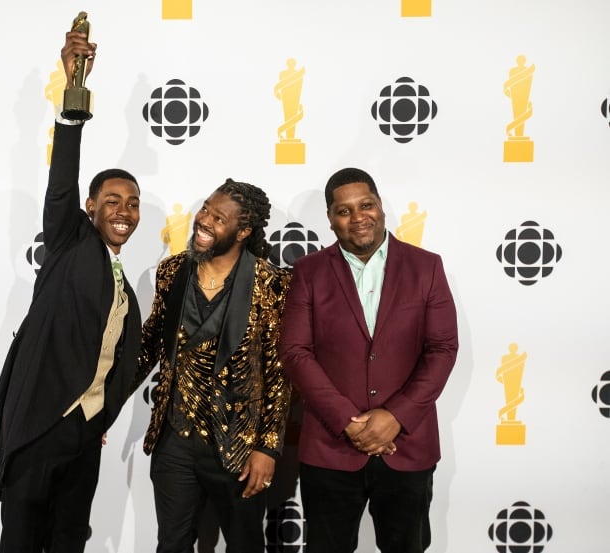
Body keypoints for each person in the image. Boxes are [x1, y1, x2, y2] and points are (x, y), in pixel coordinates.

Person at [0, 31, 143, 553]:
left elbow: (123, 362)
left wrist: (98, 417)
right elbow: (61, 180)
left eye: (133, 203)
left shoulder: (125, 290)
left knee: (71, 538)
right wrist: (73, 96)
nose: (124, 211)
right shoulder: (69, 241)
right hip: (36, 427)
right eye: (112, 200)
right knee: (24, 540)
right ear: (91, 206)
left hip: (83, 436)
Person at [279, 168, 458, 553]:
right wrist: (348, 421)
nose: (357, 217)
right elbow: (295, 352)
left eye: (366, 205)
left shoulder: (426, 267)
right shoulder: (308, 272)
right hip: (330, 447)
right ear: (329, 219)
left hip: (407, 446)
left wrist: (395, 417)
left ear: (380, 207)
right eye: (343, 211)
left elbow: (442, 349)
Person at [131, 179, 291, 553]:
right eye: (205, 209)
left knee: (244, 545)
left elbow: (279, 374)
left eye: (219, 218)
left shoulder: (271, 283)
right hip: (174, 440)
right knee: (172, 544)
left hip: (238, 445)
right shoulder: (172, 272)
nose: (203, 221)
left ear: (243, 231)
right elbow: (149, 345)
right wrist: (103, 407)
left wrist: (267, 448)